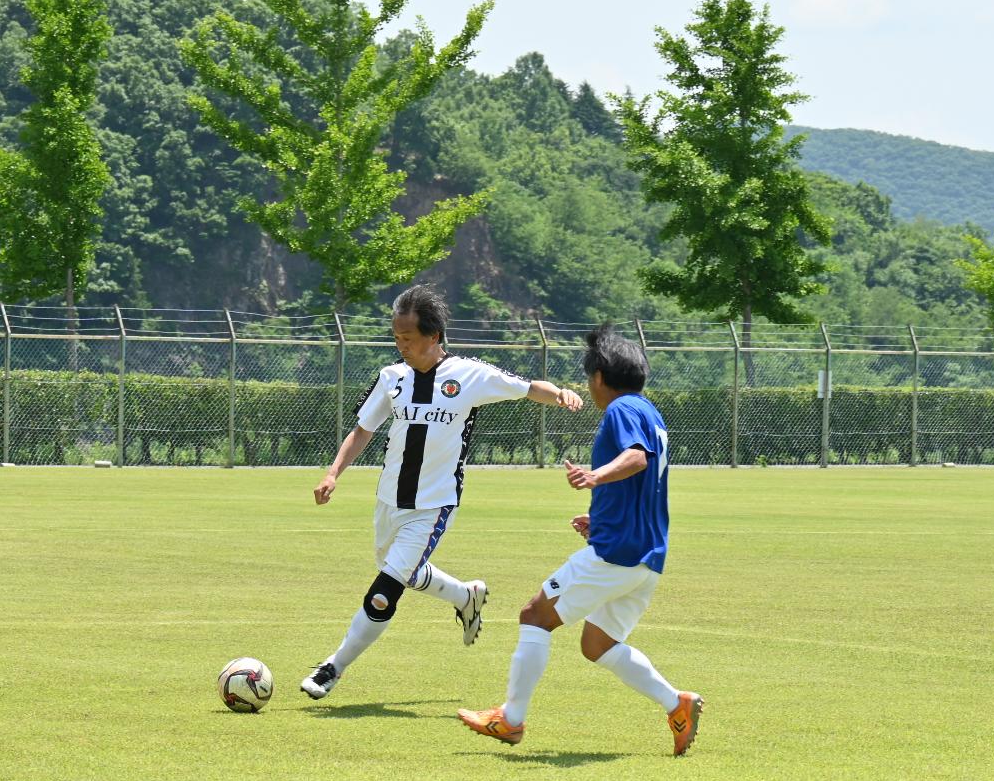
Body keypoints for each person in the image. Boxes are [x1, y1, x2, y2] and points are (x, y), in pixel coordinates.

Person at [300, 284, 584, 701]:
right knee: (400, 570)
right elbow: (363, 429)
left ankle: (332, 667)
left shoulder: (469, 375)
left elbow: (526, 387)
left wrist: (559, 394)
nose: (401, 346)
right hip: (388, 500)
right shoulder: (391, 378)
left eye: (408, 339)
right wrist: (333, 473)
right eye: (396, 338)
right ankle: (465, 595)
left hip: (433, 505)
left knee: (384, 592)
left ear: (434, 337)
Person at [457, 325, 702, 755]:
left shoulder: (621, 409)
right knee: (598, 645)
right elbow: (642, 483)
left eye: (590, 377)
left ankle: (510, 720)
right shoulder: (650, 411)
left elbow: (636, 459)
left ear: (600, 378)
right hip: (645, 558)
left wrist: (595, 476)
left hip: (616, 555)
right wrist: (600, 513)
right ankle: (676, 704)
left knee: (535, 616)